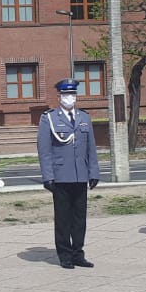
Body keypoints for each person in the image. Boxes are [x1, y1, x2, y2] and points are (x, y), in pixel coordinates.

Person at [37, 78, 100, 269]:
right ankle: (64, 254)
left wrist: (93, 172)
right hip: (61, 176)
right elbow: (44, 150)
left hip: (80, 175)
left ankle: (78, 253)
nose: (70, 98)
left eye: (72, 94)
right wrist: (48, 176)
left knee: (80, 218)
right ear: (59, 96)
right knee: (63, 218)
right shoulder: (49, 118)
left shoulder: (84, 117)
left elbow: (91, 148)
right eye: (66, 94)